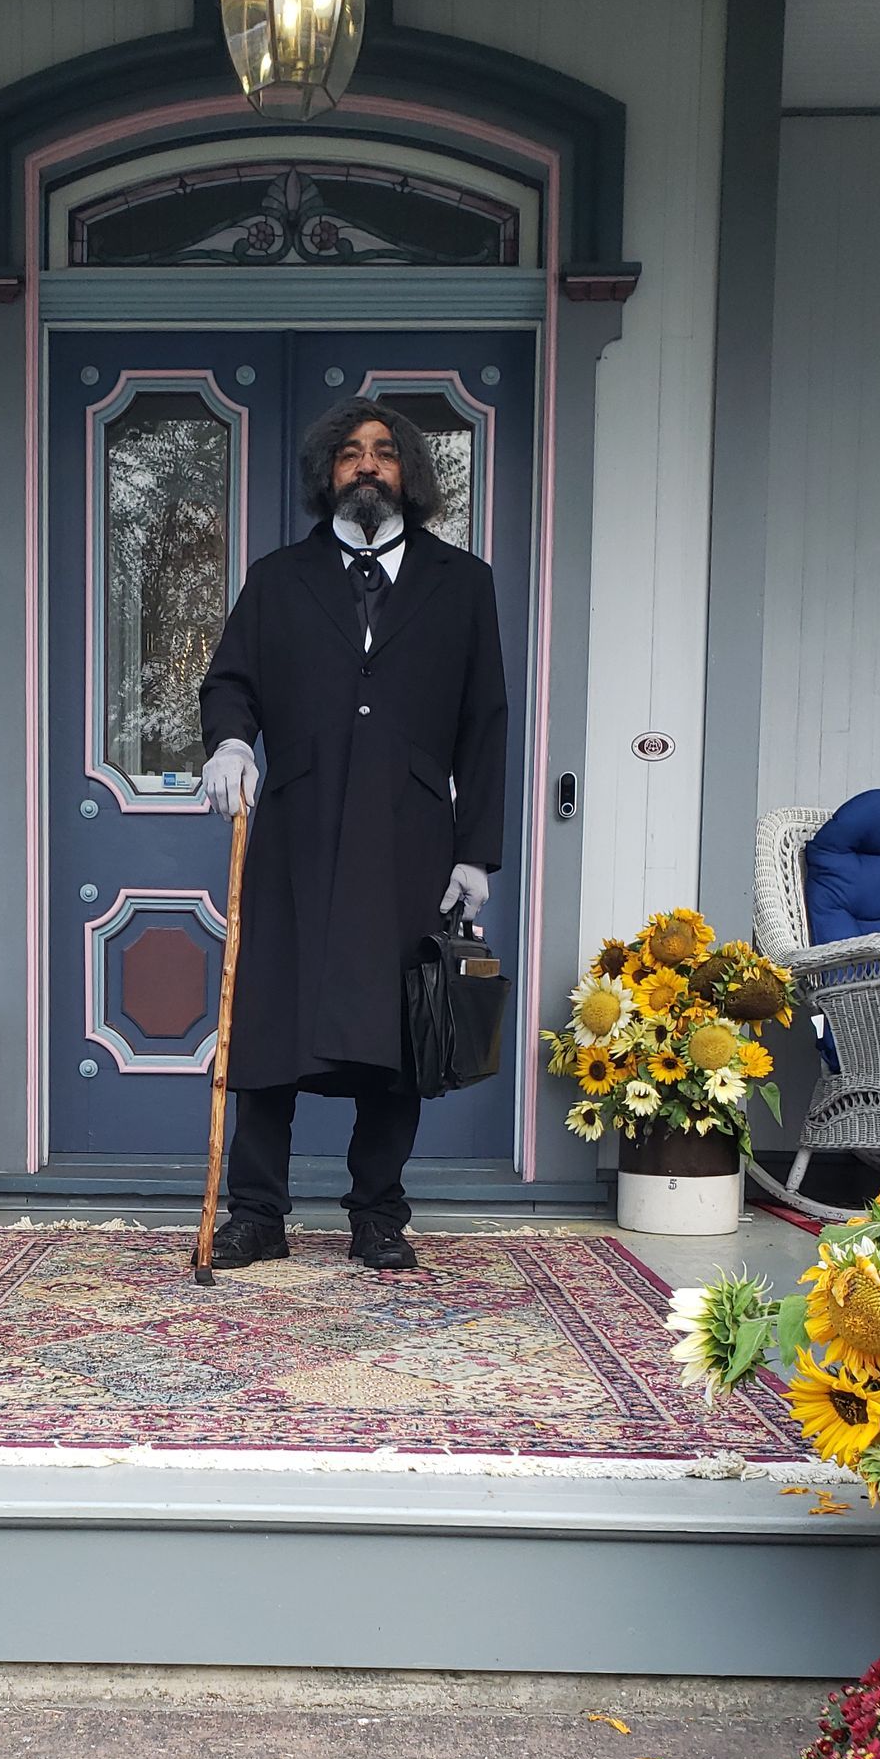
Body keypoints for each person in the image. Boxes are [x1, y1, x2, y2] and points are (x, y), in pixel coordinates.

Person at [197, 401, 508, 1272]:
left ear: (410, 472)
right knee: (268, 1026)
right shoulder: (278, 577)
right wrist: (229, 739)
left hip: (411, 837)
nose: (366, 467)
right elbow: (231, 683)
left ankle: (379, 1213)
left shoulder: (464, 582)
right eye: (349, 454)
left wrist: (475, 851)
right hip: (296, 831)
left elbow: (487, 723)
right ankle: (257, 1212)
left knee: (398, 1036)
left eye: (383, 454)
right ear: (326, 473)